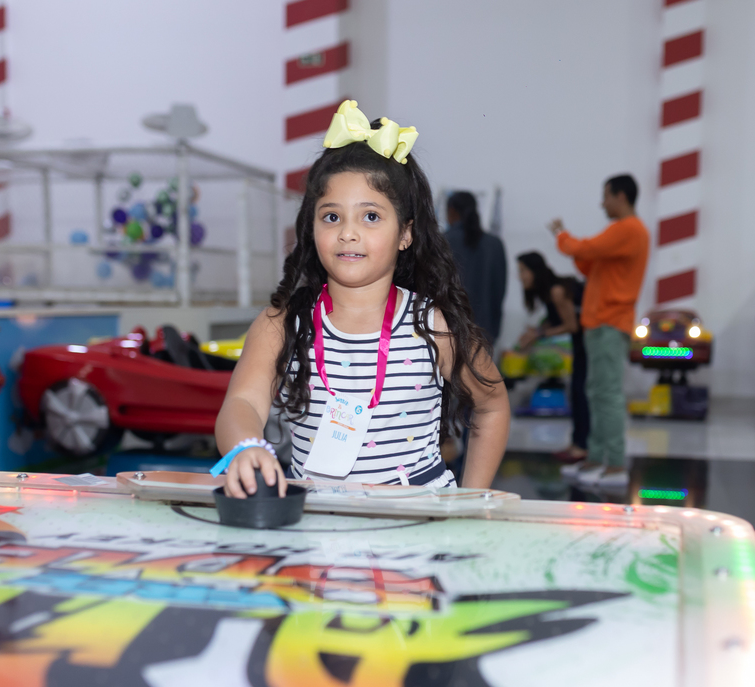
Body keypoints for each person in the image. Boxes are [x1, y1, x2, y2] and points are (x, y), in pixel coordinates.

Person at [214, 100, 510, 498]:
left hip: (420, 525)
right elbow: (243, 403)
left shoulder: (433, 325)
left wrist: (471, 500)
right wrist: (246, 446)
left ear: (405, 233)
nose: (347, 233)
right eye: (331, 216)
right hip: (315, 524)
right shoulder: (282, 325)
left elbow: (492, 405)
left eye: (370, 216)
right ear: (311, 227)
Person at [548, 174, 649, 487]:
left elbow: (586, 247)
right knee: (596, 392)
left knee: (607, 394)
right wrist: (574, 247)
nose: (602, 203)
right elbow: (589, 263)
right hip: (600, 323)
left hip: (610, 323)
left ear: (621, 196)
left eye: (606, 196)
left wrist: (561, 235)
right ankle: (596, 457)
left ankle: (615, 464)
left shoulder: (629, 229)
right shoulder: (623, 232)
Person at [515, 251, 588, 463]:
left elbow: (571, 325)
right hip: (581, 343)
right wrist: (536, 331)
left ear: (535, 271)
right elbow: (557, 320)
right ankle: (578, 443)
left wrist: (539, 334)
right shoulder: (547, 293)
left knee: (580, 393)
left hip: (589, 343)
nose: (520, 276)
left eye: (523, 271)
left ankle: (582, 446)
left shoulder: (557, 291)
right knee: (577, 392)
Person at [445, 191, 507, 347]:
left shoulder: (442, 242)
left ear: (451, 211)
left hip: (447, 331)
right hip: (484, 333)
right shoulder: (495, 244)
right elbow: (499, 292)